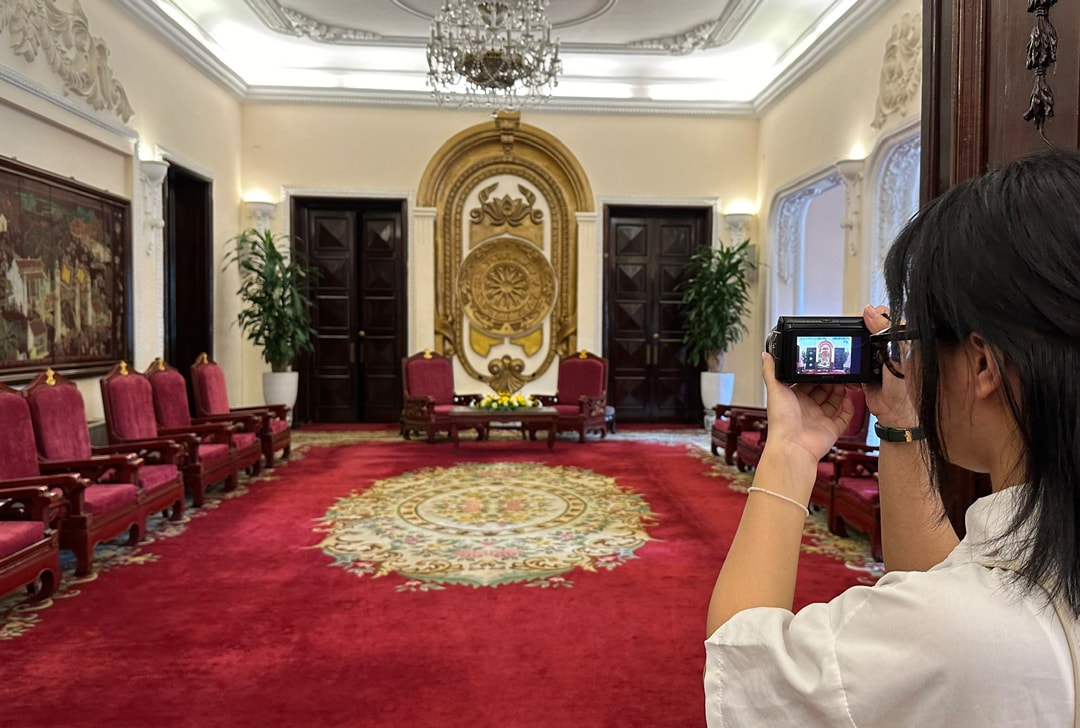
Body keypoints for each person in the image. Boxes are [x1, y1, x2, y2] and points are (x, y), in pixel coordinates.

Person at [703, 147, 1080, 727]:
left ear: (983, 365)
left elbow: (745, 663)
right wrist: (902, 424)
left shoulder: (955, 633)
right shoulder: (1004, 587)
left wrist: (789, 453)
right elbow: (943, 585)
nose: (909, 357)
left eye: (916, 334)